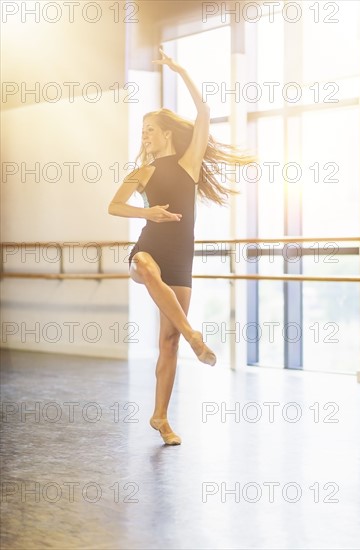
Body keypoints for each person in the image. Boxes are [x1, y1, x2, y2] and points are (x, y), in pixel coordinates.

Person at [108, 48, 255, 445]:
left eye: (149, 131)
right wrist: (148, 214)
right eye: (141, 133)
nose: (144, 138)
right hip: (148, 247)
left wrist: (181, 68)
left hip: (180, 257)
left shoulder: (188, 164)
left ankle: (161, 418)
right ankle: (195, 336)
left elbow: (204, 112)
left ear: (166, 133)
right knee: (146, 268)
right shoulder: (142, 171)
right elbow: (114, 206)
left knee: (166, 342)